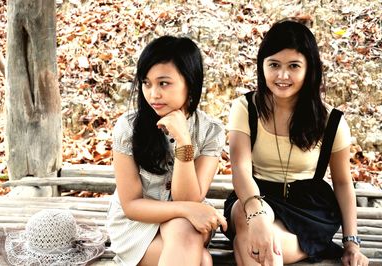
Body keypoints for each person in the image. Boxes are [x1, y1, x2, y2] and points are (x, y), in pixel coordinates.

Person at [222, 19, 369, 266]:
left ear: (309, 69)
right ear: (262, 66)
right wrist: (257, 215)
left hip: (309, 210)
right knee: (249, 217)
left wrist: (351, 242)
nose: (282, 75)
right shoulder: (245, 108)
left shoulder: (331, 121)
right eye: (274, 65)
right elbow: (240, 168)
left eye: (293, 66)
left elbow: (343, 183)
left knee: (251, 248)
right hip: (255, 195)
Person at [106, 35, 227, 266]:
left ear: (190, 83)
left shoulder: (211, 131)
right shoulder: (128, 127)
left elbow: (189, 197)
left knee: (184, 227)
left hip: (191, 221)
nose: (153, 94)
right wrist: (188, 210)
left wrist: (184, 141)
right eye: (146, 83)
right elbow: (131, 205)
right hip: (137, 225)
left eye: (163, 83)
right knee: (201, 260)